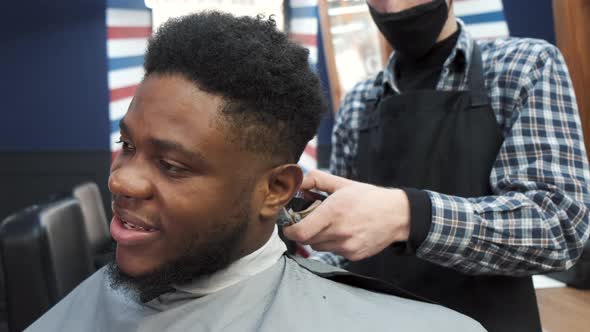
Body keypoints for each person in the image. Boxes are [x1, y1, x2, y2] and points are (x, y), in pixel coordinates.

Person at [26, 11, 484, 332]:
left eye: (171, 165)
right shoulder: (88, 303)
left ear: (277, 189)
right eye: (126, 145)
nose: (120, 180)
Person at [283, 0, 590, 331]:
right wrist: (300, 270)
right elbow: (347, 251)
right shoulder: (357, 105)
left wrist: (408, 216)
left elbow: (558, 228)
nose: (391, 5)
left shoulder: (522, 66)